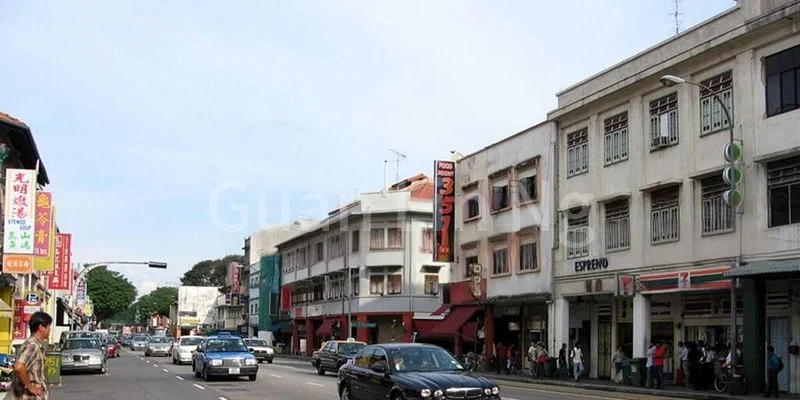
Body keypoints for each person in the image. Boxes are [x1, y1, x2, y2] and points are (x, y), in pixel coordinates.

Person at [10, 311, 52, 400]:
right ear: (41, 327)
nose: (50, 330)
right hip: (30, 396)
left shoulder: (35, 344)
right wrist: (30, 387)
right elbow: (19, 367)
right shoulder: (32, 345)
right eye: (48, 327)